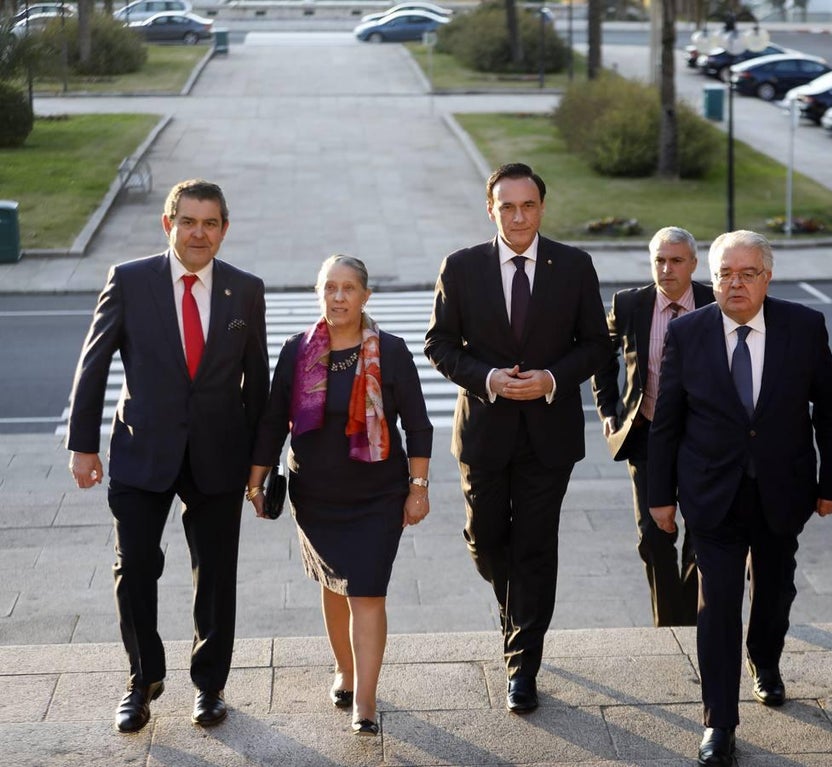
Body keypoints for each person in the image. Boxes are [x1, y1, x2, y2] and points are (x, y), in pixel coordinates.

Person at [66, 179, 269, 733]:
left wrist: (261, 463)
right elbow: (94, 362)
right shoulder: (130, 281)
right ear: (168, 224)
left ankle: (210, 685)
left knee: (216, 575)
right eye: (188, 221)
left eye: (210, 223)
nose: (198, 233)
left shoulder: (245, 290)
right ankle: (142, 679)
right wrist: (83, 445)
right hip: (142, 448)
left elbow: (259, 384)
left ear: (224, 230)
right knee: (134, 567)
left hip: (219, 456)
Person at [647, 230, 832, 767]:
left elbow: (831, 409)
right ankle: (719, 723)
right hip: (711, 493)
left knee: (775, 590)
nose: (735, 284)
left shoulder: (804, 327)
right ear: (710, 279)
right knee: (716, 606)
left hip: (783, 490)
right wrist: (660, 496)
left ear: (767, 276)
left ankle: (765, 658)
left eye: (747, 274)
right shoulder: (687, 332)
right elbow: (667, 420)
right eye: (724, 275)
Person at [425, 162, 611, 714]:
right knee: (487, 542)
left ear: (542, 208)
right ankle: (516, 612)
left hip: (548, 439)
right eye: (507, 206)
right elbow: (439, 343)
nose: (518, 215)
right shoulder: (461, 268)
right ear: (491, 209)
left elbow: (596, 346)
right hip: (483, 433)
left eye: (528, 205)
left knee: (535, 545)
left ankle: (522, 664)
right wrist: (487, 379)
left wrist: (552, 379)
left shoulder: (574, 266)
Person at [248, 255, 432, 735]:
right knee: (334, 586)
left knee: (367, 592)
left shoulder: (390, 352)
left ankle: (365, 701)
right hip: (316, 496)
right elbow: (272, 420)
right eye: (329, 287)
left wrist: (419, 488)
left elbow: (418, 425)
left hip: (378, 497)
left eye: (348, 288)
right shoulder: (297, 351)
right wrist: (256, 479)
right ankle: (345, 672)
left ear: (365, 296)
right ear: (319, 294)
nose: (338, 297)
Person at [591, 226, 714, 628]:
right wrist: (608, 411)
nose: (666, 269)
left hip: (704, 440)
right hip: (645, 435)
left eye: (676, 260)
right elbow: (601, 358)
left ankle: (693, 620)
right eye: (659, 260)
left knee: (702, 534)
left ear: (694, 264)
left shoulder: (715, 303)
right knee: (652, 537)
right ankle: (670, 624)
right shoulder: (629, 305)